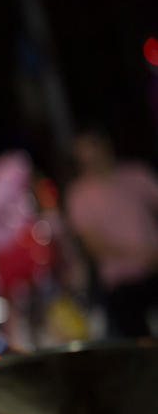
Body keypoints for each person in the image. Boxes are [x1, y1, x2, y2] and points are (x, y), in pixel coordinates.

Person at [65, 128, 158, 338]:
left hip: (155, 269)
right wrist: (143, 256)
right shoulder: (79, 194)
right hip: (122, 284)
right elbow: (94, 246)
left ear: (106, 146)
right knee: (141, 345)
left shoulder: (136, 174)